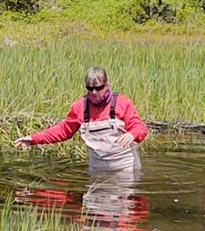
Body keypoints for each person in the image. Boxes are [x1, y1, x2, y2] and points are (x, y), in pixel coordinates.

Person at [14, 67, 149, 166]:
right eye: (90, 88)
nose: (94, 92)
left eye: (98, 88)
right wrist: (33, 139)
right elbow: (63, 131)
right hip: (97, 168)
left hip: (125, 168)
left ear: (107, 85)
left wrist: (132, 134)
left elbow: (140, 128)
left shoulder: (121, 102)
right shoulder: (80, 107)